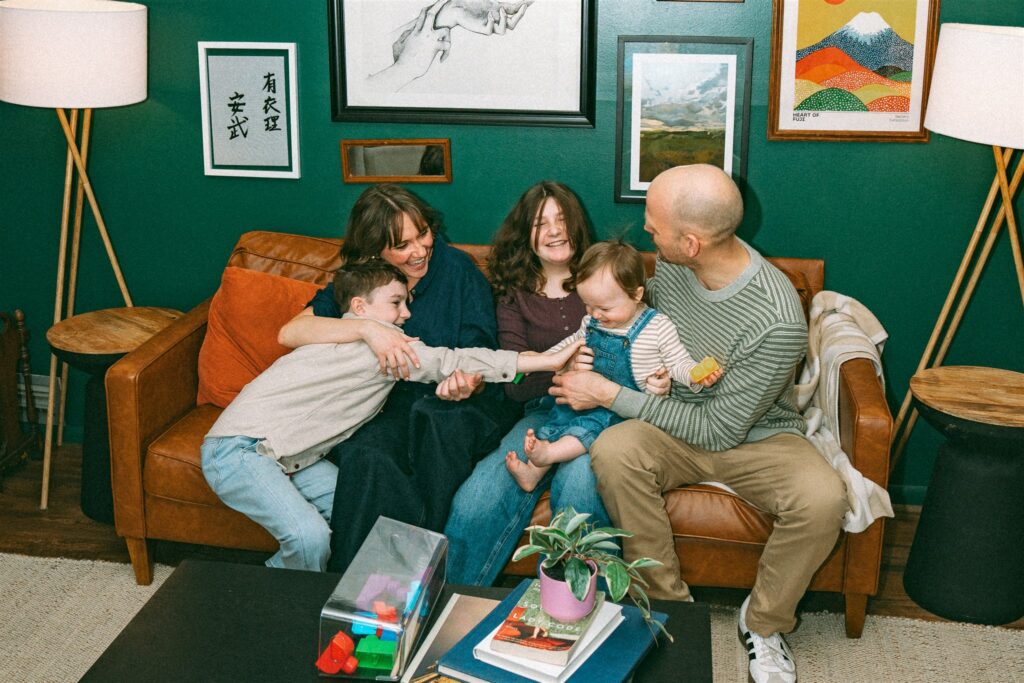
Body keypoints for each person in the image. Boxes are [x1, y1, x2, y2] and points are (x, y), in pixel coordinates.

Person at [550, 165, 848, 683]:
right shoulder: (672, 269)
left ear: (691, 242)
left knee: (824, 500)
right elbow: (643, 335)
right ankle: (668, 606)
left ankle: (763, 623)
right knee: (616, 452)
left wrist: (609, 394)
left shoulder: (776, 318)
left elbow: (719, 433)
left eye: (654, 223)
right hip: (671, 421)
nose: (646, 230)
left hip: (754, 434)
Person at [201, 262, 578, 572]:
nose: (407, 313)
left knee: (355, 511)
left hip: (286, 457)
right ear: (360, 308)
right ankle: (272, 596)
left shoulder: (346, 334)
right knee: (308, 538)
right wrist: (546, 360)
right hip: (240, 450)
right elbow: (453, 360)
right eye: (397, 303)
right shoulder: (383, 345)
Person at [278, 184, 520, 573]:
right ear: (376, 252)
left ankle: (419, 574)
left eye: (423, 233)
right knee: (367, 455)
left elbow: (481, 353)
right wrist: (367, 330)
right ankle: (353, 587)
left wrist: (466, 380)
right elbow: (290, 332)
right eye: (402, 245)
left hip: (454, 404)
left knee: (436, 431)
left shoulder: (456, 270)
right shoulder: (363, 281)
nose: (420, 250)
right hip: (384, 403)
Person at [444, 181, 607, 586]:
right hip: (539, 414)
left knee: (579, 489)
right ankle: (446, 605)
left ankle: (576, 614)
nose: (554, 230)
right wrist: (563, 372)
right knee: (476, 500)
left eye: (562, 219)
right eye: (541, 223)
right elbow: (516, 383)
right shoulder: (513, 295)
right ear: (527, 235)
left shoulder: (606, 276)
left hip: (603, 413)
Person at [506, 240, 722, 493]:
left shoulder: (657, 327)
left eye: (605, 308)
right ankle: (534, 472)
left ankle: (550, 453)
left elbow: (677, 363)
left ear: (636, 294)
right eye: (589, 305)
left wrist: (696, 376)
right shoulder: (592, 322)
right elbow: (571, 344)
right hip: (585, 396)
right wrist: (538, 359)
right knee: (559, 417)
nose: (595, 314)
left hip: (622, 408)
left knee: (590, 428)